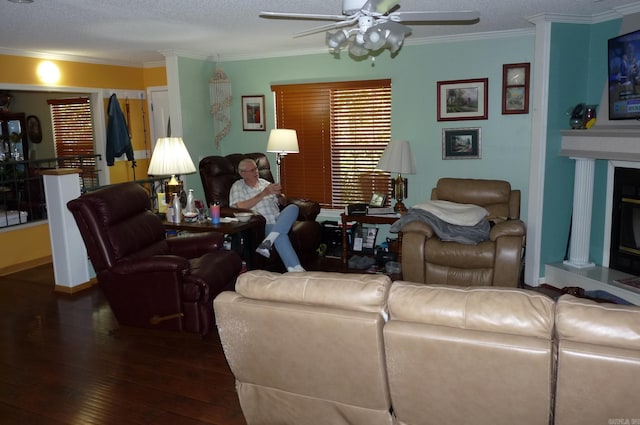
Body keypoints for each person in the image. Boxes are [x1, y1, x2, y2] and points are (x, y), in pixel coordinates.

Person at [229, 158, 305, 272]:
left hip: (278, 218)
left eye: (256, 169)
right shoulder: (238, 186)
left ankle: (267, 242)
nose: (256, 172)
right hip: (262, 223)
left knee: (293, 208)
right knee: (280, 235)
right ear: (242, 174)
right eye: (252, 170)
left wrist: (280, 196)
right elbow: (240, 207)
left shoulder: (265, 183)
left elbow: (283, 203)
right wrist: (263, 193)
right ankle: (297, 269)